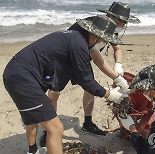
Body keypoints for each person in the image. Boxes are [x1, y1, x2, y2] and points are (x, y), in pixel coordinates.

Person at [3, 15, 129, 154]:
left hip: (17, 72)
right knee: (56, 129)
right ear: (96, 35)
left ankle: (33, 151)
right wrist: (110, 94)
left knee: (32, 115)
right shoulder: (79, 45)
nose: (105, 43)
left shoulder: (76, 36)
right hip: (22, 79)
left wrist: (115, 78)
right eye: (105, 39)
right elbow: (86, 81)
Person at [41, 2, 140, 146]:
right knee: (54, 93)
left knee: (89, 89)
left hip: (83, 59)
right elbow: (95, 56)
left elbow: (116, 49)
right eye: (122, 21)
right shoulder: (94, 26)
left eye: (126, 22)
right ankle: (48, 131)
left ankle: (88, 123)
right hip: (65, 58)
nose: (124, 25)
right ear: (111, 15)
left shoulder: (112, 29)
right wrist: (114, 80)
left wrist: (118, 66)